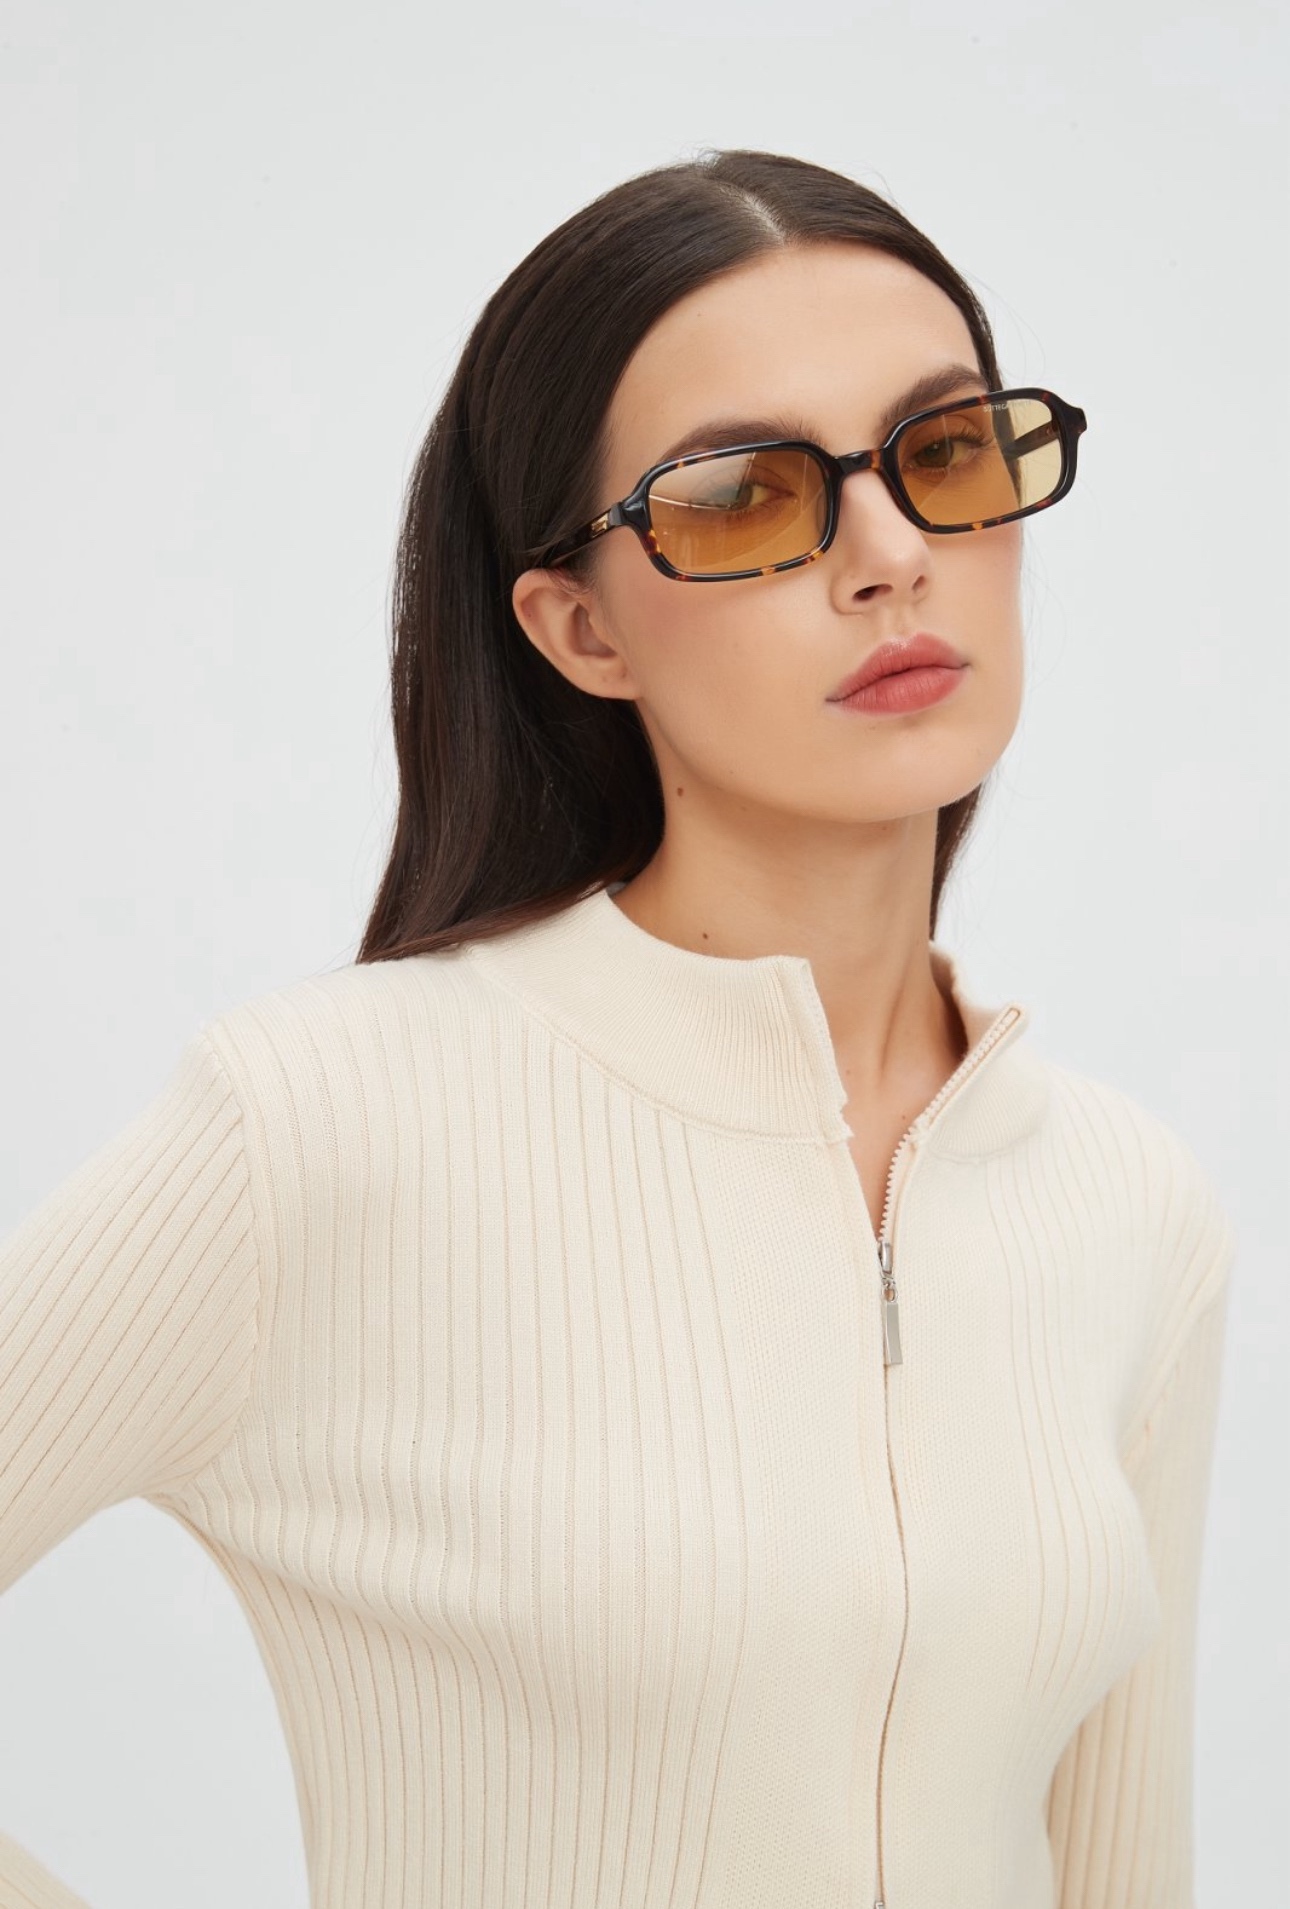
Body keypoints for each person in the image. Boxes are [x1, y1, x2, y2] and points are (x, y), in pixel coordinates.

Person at [0, 148, 1234, 1909]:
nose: (891, 557)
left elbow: (1123, 1874)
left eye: (945, 451)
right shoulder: (320, 1126)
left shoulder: (1122, 1201)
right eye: (740, 496)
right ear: (580, 628)